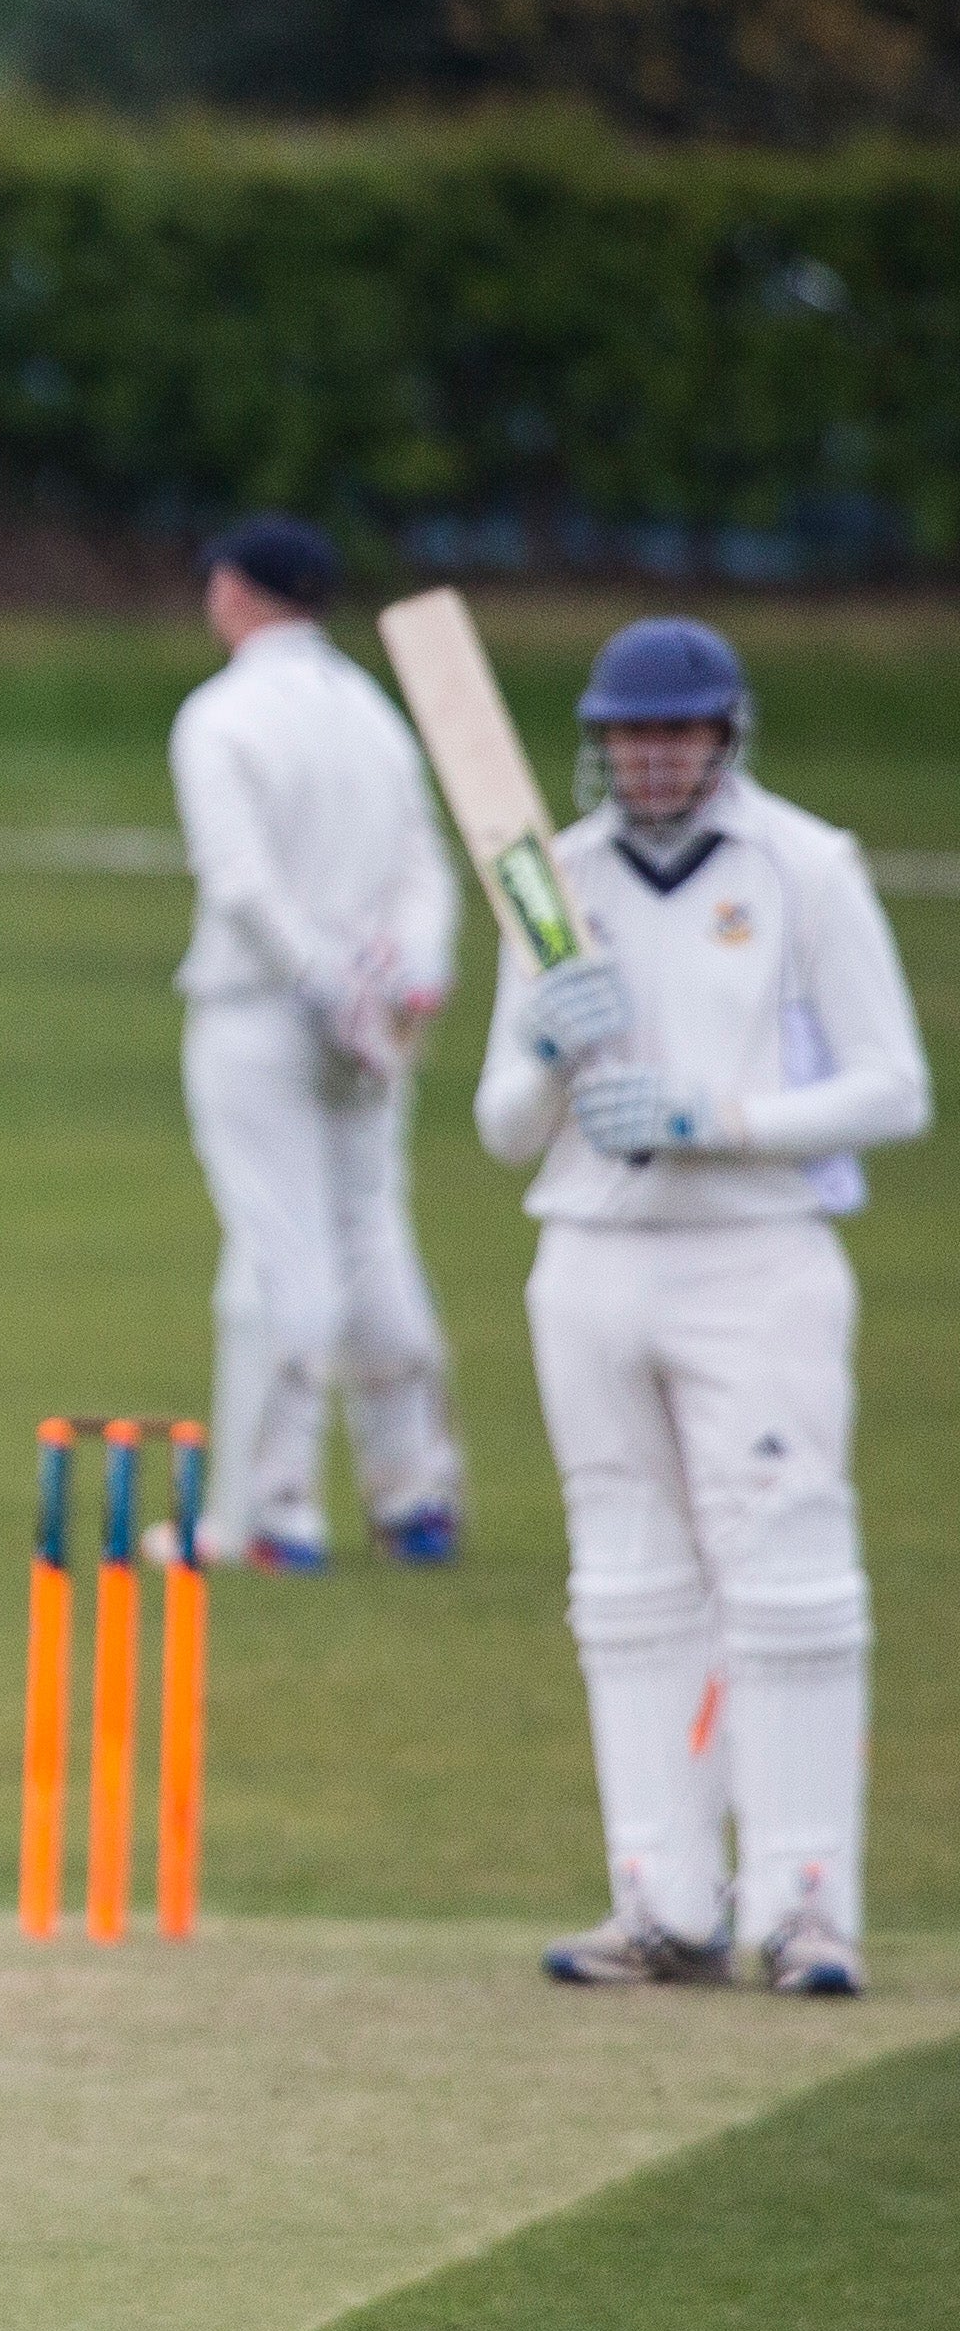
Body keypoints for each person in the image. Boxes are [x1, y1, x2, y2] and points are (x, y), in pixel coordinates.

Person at [474, 618, 929, 1993]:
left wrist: (715, 1116)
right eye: (627, 735)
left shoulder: (807, 867)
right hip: (594, 1257)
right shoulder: (553, 879)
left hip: (757, 1255)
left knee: (787, 1580)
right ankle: (662, 1900)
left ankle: (803, 1907)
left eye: (674, 735)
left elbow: (894, 1088)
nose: (649, 759)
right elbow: (502, 1127)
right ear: (598, 739)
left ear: (725, 737)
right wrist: (550, 1053)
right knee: (626, 1584)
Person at [166, 515, 469, 1573]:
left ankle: (272, 1515)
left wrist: (323, 985)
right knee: (371, 1235)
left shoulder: (220, 717)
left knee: (283, 1254)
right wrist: (407, 979)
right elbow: (427, 865)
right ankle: (416, 1496)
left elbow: (242, 885)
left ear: (238, 594)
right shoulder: (372, 711)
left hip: (264, 1013)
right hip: (369, 1017)